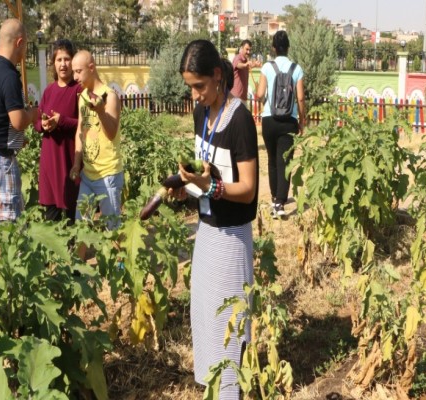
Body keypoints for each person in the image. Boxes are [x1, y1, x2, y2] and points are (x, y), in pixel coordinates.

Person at [172, 39, 258, 399]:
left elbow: (249, 189)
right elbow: (204, 173)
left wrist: (214, 187)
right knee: (207, 316)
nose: (194, 95)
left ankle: (231, 393)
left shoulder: (240, 119)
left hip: (231, 236)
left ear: (218, 76)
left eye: (199, 86)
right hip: (206, 232)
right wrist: (186, 189)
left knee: (230, 325)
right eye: (190, 87)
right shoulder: (200, 115)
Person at [0, 18, 39, 226]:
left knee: (3, 219)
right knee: (8, 228)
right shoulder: (9, 76)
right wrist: (33, 113)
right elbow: (18, 120)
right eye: (26, 46)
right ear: (19, 43)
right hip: (0, 161)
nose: (25, 52)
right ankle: (4, 260)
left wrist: (18, 141)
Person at [69, 50, 123, 230]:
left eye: (78, 71)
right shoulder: (83, 96)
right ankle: (78, 259)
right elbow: (80, 131)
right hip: (88, 174)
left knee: (112, 229)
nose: (75, 76)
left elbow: (111, 133)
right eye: (73, 71)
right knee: (82, 227)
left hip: (108, 175)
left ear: (91, 68)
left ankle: (120, 259)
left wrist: (100, 111)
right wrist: (77, 164)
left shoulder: (110, 96)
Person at [256, 30, 306, 218]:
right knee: (285, 162)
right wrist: (302, 120)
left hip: (269, 119)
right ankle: (280, 203)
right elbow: (300, 98)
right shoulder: (296, 68)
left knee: (272, 161)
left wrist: (257, 93)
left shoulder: (267, 67)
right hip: (289, 122)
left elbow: (260, 94)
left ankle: (274, 197)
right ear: (288, 47)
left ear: (273, 48)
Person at [34, 39, 82, 224]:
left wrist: (61, 121)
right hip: (50, 159)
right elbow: (37, 120)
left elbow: (84, 124)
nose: (63, 64)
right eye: (59, 59)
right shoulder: (49, 91)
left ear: (73, 62)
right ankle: (52, 252)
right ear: (53, 63)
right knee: (51, 213)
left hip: (69, 158)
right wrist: (43, 125)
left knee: (72, 210)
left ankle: (72, 250)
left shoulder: (78, 90)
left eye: (67, 59)